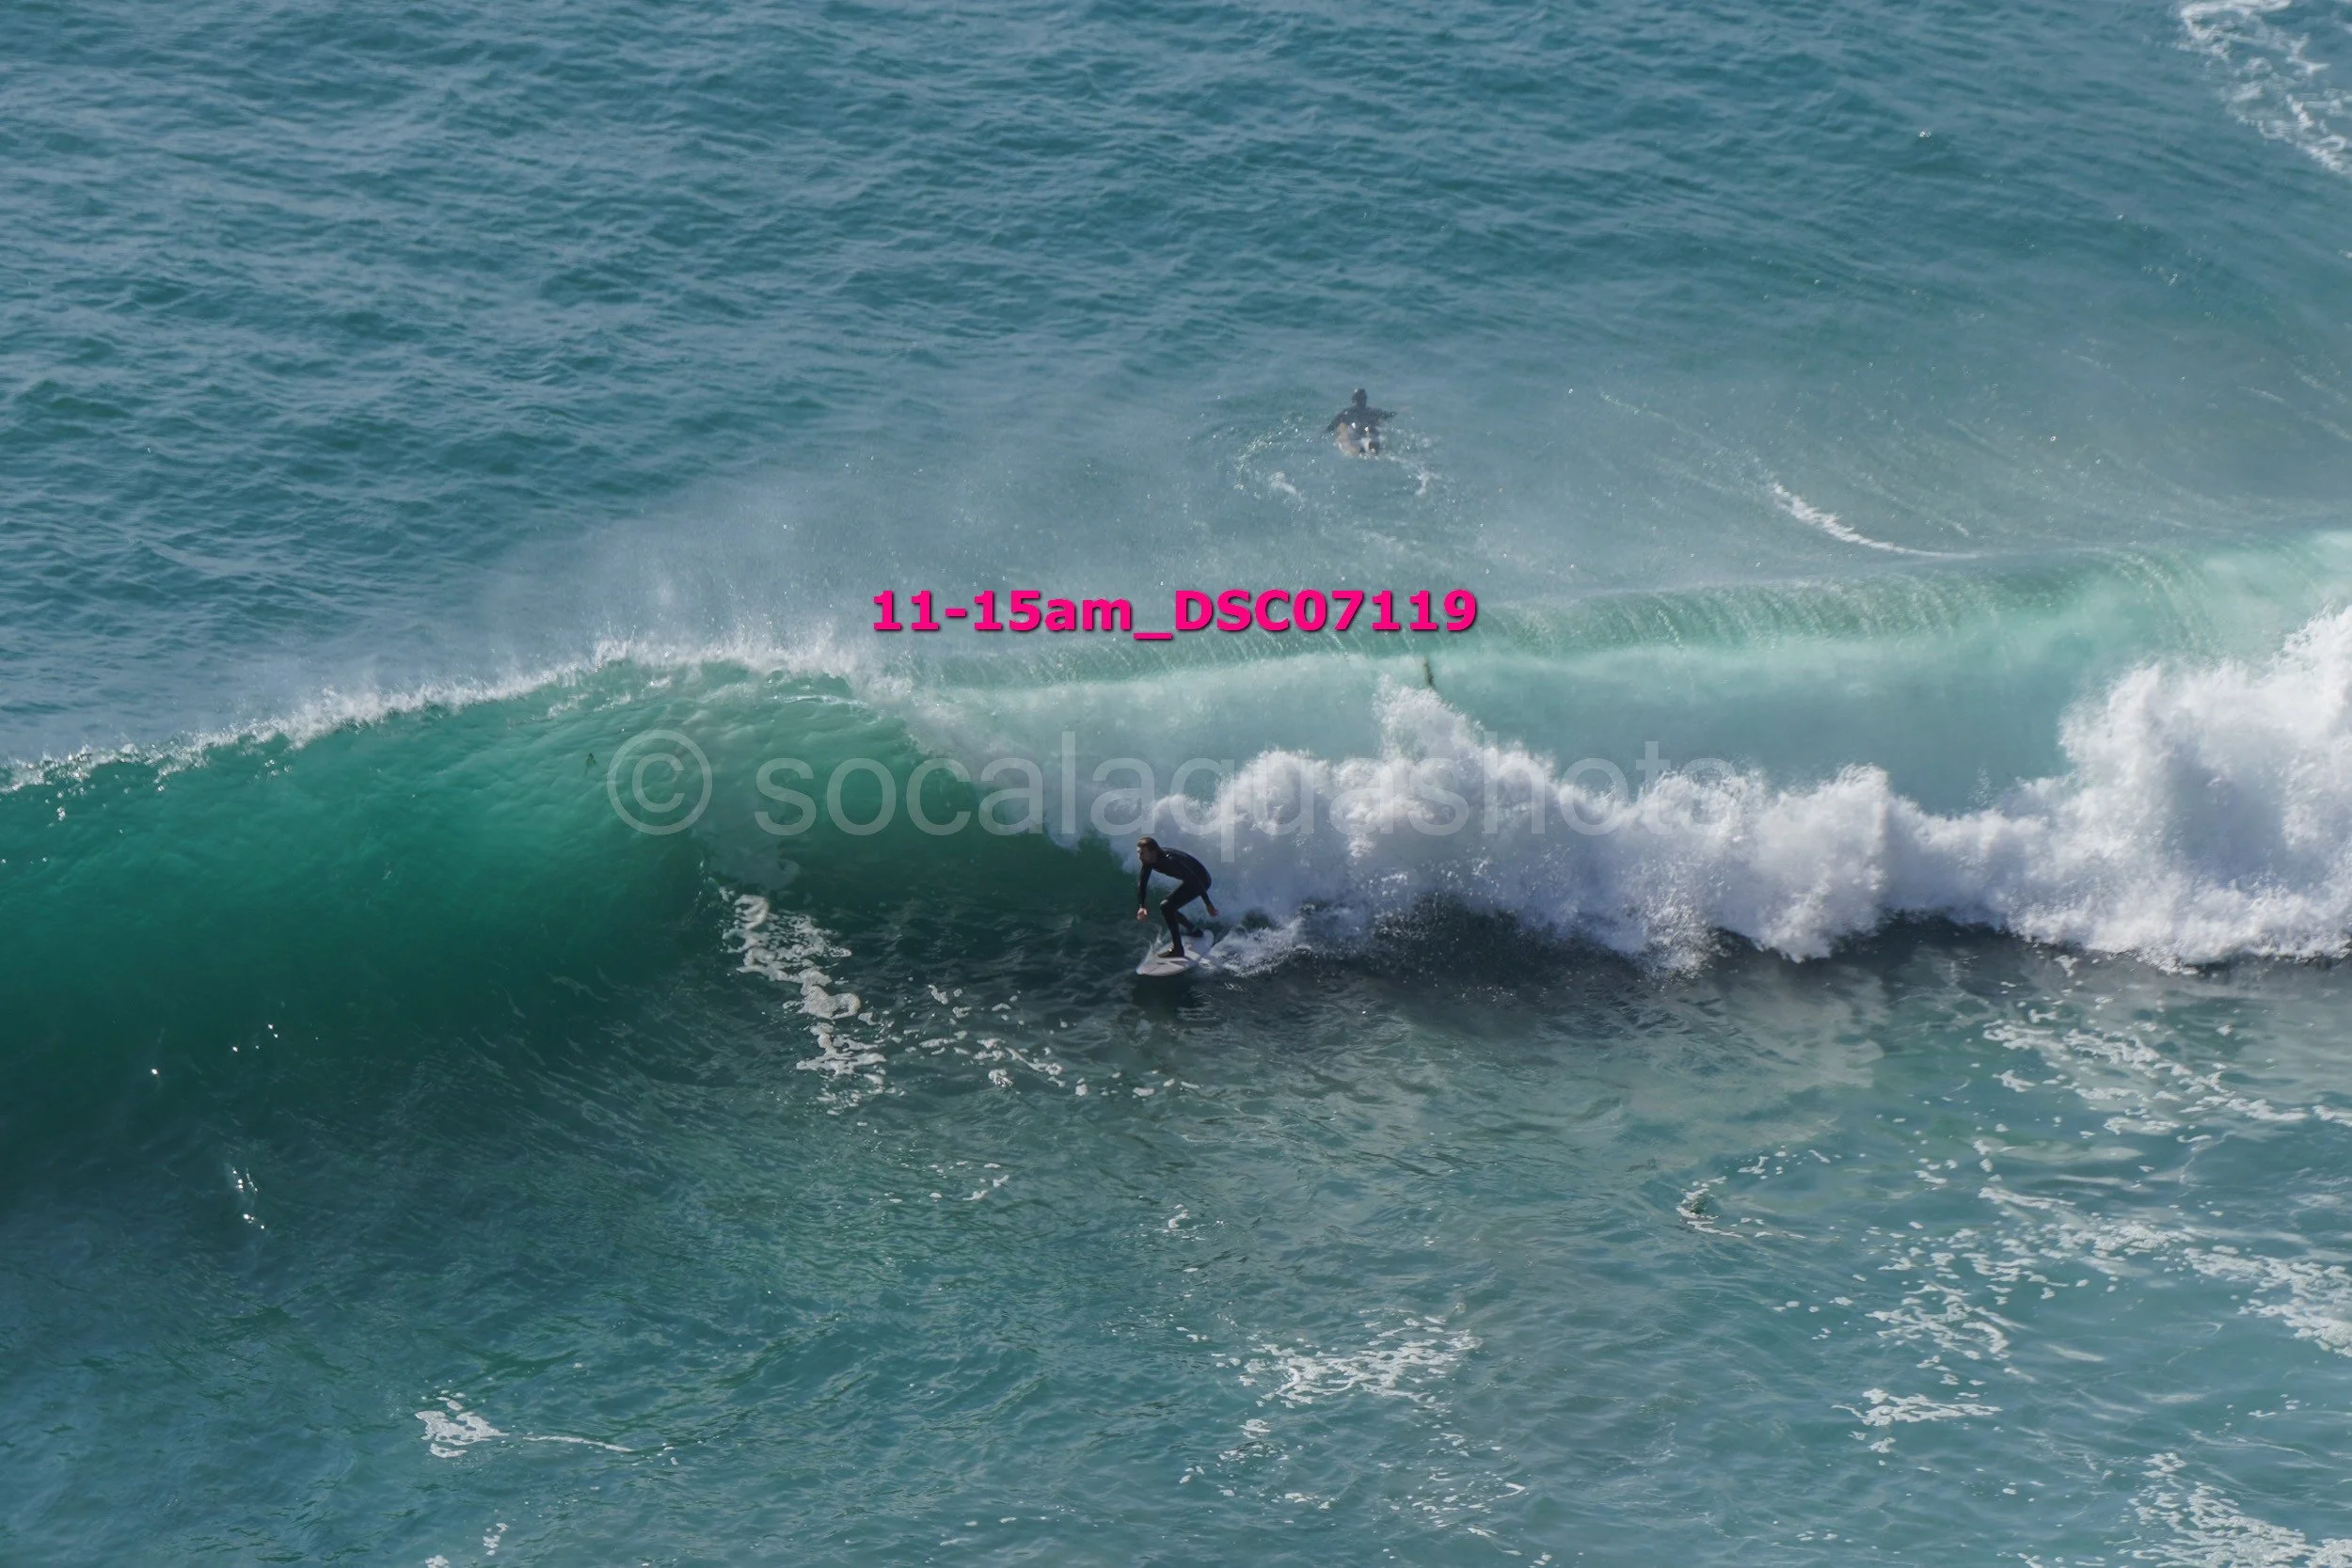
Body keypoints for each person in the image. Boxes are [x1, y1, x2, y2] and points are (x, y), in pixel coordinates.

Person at [1135, 836, 1218, 959]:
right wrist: (1142, 906)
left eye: (1142, 853)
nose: (1139, 856)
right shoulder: (1149, 861)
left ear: (1153, 852)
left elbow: (1195, 880)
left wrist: (1208, 903)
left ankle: (1178, 949)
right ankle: (1194, 931)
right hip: (1190, 880)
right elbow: (1142, 882)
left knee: (1166, 906)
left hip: (1201, 880)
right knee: (1168, 907)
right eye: (1138, 853)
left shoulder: (1171, 861)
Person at [1326, 388, 1392, 456]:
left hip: (1356, 436)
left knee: (1355, 436)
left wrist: (1324, 433)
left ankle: (1363, 450)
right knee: (1370, 433)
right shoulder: (1374, 412)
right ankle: (1372, 451)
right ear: (1365, 400)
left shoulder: (1347, 412)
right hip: (1370, 435)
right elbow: (1388, 415)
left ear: (1353, 399)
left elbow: (1331, 427)